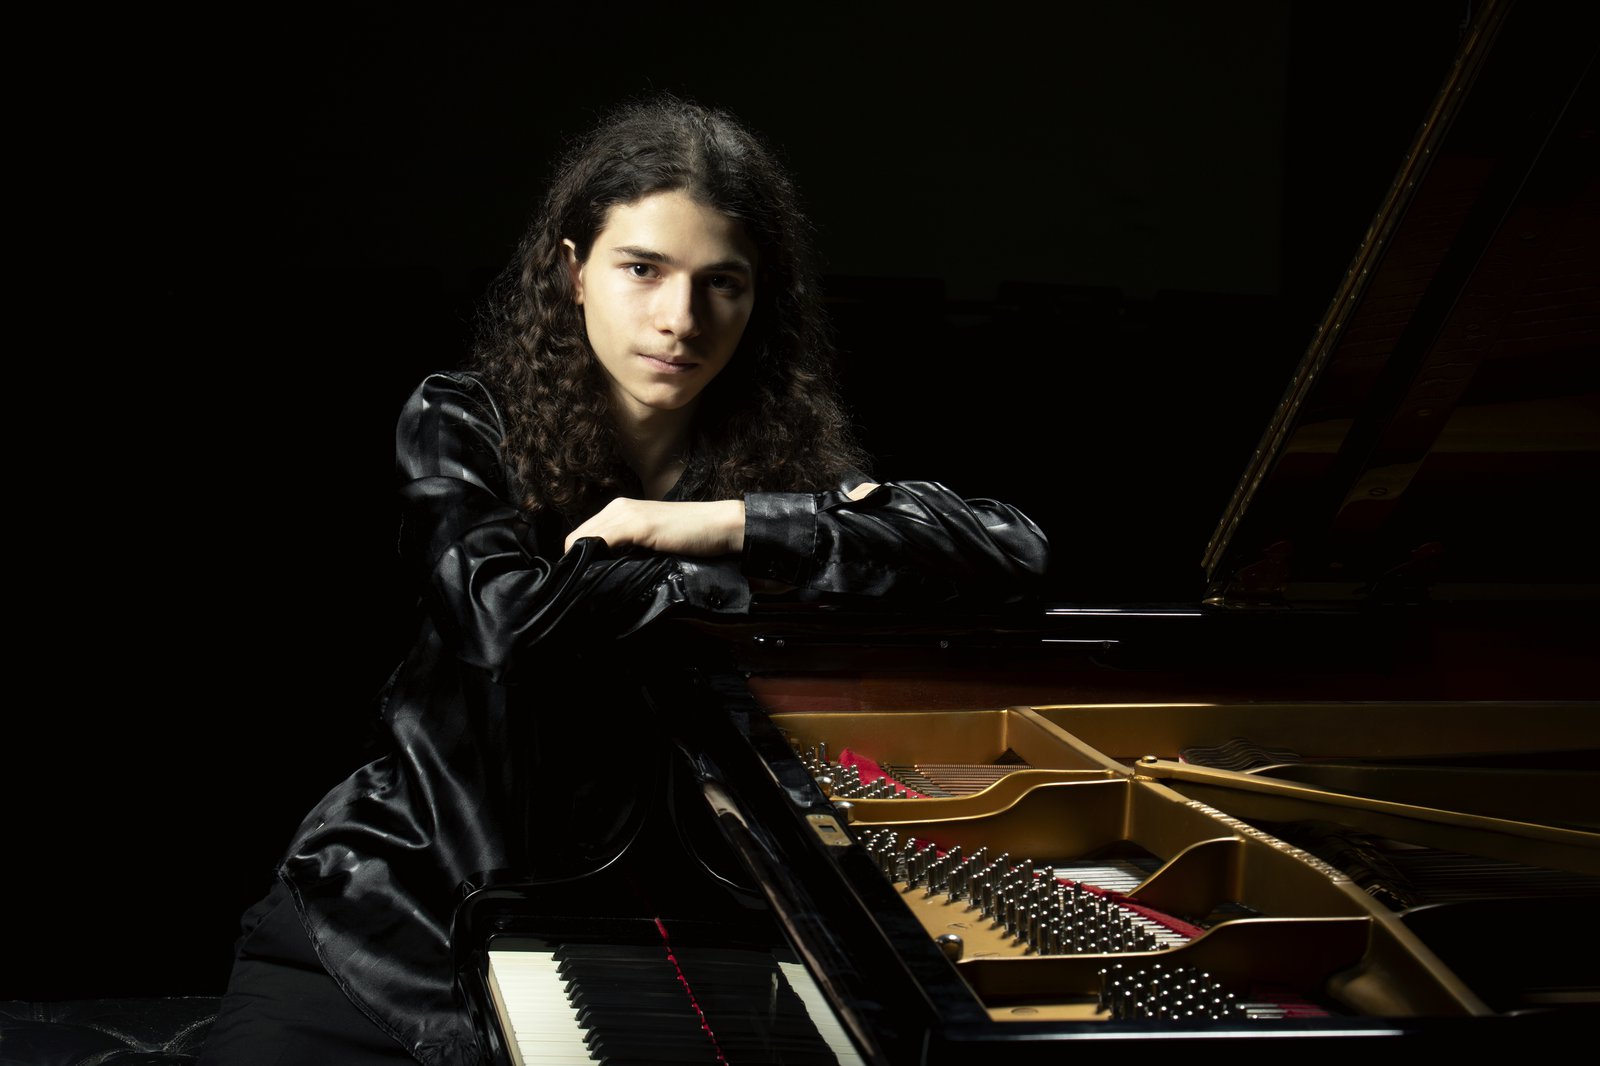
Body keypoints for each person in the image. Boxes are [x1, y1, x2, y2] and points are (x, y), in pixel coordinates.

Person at [200, 97, 1049, 1065]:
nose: (680, 319)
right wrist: (722, 581)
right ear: (573, 271)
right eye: (642, 269)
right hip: (399, 915)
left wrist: (710, 523)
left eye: (721, 282)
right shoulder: (461, 421)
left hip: (628, 937)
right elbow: (505, 629)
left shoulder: (775, 470)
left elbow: (1010, 550)